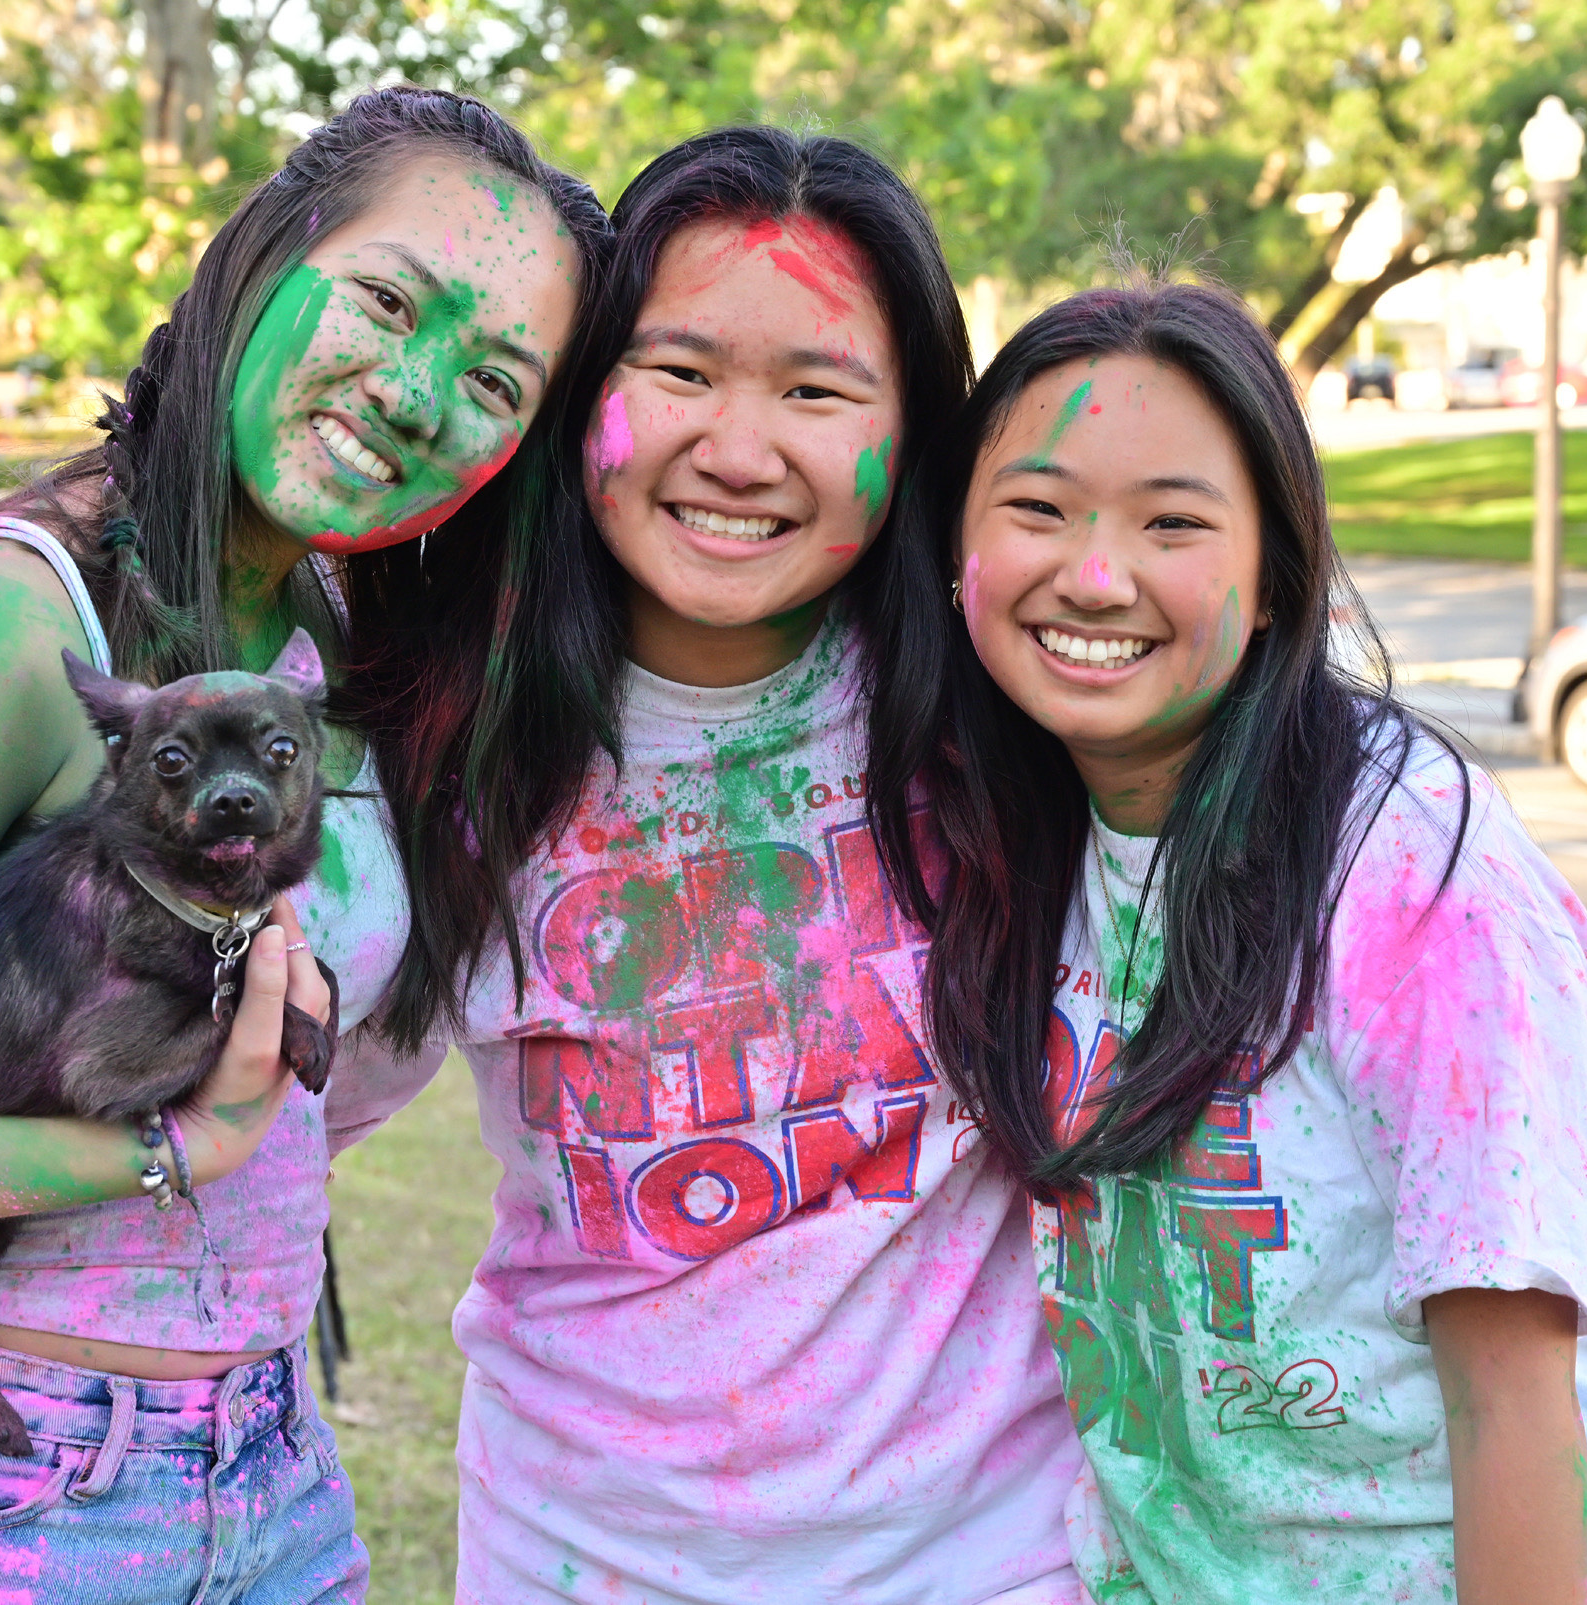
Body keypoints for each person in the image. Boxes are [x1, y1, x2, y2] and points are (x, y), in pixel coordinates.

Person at [0, 87, 602, 1603]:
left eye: (492, 380)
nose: (419, 395)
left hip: (275, 1484)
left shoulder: (323, 628)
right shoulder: (2, 615)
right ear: (262, 255)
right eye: (387, 302)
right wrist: (157, 1152)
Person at [327, 127, 1086, 1601]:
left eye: (817, 391)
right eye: (678, 371)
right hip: (581, 1556)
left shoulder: (1010, 713)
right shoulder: (444, 743)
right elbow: (276, 1115)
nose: (739, 453)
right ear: (581, 395)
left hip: (986, 1562)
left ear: (912, 431)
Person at [895, 276, 1587, 1603]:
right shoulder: (1018, 825)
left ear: (1276, 578)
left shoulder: (1407, 869)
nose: (1093, 576)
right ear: (955, 546)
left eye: (1173, 523)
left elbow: (1512, 1397)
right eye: (1038, 510)